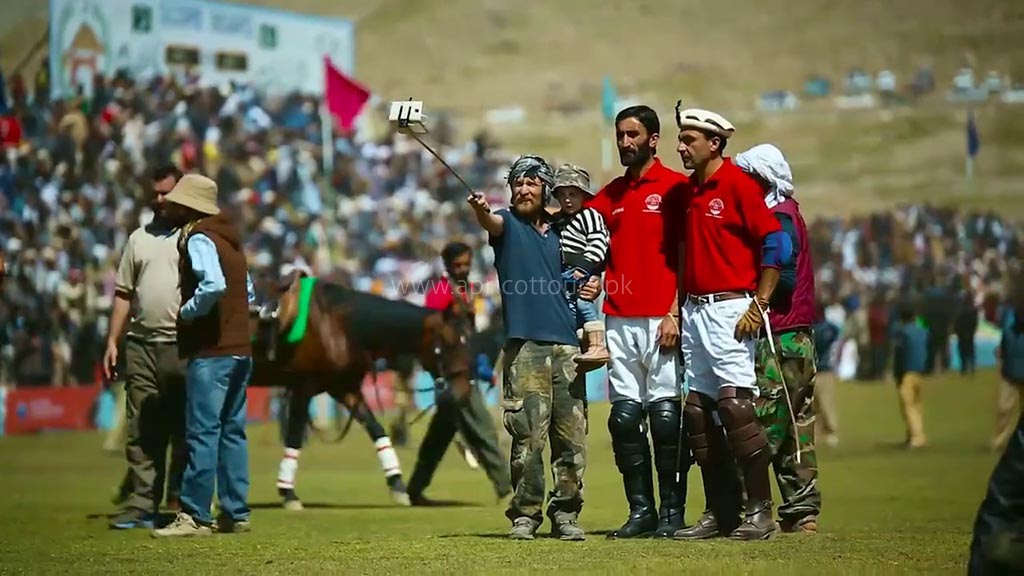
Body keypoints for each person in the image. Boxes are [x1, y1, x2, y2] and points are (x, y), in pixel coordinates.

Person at [672, 106, 786, 541]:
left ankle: (761, 511)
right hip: (695, 309)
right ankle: (720, 511)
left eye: (690, 140)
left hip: (731, 309)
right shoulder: (687, 192)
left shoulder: (737, 184)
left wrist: (760, 302)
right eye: (681, 139)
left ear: (715, 143)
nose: (681, 147)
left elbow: (774, 240)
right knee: (698, 412)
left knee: (736, 408)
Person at [580, 105, 687, 539]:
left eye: (632, 135)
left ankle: (672, 513)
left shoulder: (677, 188)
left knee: (665, 418)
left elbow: (687, 254)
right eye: (620, 135)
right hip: (619, 318)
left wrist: (675, 311)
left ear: (653, 139)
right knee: (624, 418)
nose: (625, 142)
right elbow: (579, 227)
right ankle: (640, 512)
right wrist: (589, 274)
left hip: (663, 317)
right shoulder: (612, 194)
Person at [467, 155, 587, 541]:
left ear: (545, 188)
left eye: (532, 183)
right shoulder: (506, 224)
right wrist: (481, 211)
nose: (523, 189)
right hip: (525, 349)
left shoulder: (563, 230)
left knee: (571, 439)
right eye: (518, 183)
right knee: (528, 438)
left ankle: (566, 513)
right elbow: (490, 222)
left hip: (568, 347)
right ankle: (526, 515)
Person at [152, 174, 256, 537]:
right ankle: (235, 512)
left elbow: (213, 285)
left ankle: (195, 515)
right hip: (241, 349)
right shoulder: (232, 239)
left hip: (212, 350)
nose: (170, 206)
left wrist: (187, 312)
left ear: (189, 206)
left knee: (203, 431)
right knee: (233, 432)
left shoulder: (199, 237)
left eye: (176, 202)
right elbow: (249, 292)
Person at [735, 143, 821, 534]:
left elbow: (782, 277)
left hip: (779, 334)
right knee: (795, 424)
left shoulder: (778, 219)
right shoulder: (791, 212)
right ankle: (802, 510)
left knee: (767, 422)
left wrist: (750, 292)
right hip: (797, 336)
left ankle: (754, 507)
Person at [104, 164, 188, 530]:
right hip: (141, 344)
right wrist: (113, 340)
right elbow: (124, 294)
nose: (160, 199)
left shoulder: (192, 237)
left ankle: (182, 500)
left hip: (182, 345)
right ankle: (141, 504)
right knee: (142, 429)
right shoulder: (137, 239)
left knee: (184, 428)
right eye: (155, 193)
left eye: (167, 192)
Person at [407, 241, 513, 505]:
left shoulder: (466, 291)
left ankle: (414, 489)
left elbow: (468, 336)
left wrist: (480, 365)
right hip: (454, 377)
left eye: (466, 264)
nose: (463, 269)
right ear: (447, 266)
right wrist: (439, 373)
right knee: (484, 430)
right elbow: (430, 335)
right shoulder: (440, 292)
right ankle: (507, 490)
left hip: (466, 370)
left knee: (438, 437)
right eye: (457, 265)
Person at [550, 164, 610, 367]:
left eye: (573, 194)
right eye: (563, 194)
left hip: (583, 269)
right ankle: (581, 342)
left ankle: (598, 343)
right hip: (565, 272)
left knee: (584, 302)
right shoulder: (559, 221)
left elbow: (599, 240)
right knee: (570, 309)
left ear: (584, 195)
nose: (568, 199)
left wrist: (585, 267)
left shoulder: (589, 215)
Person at [891, 302, 928, 449]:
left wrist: (896, 373)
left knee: (908, 406)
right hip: (920, 370)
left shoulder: (903, 332)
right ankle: (914, 434)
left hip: (907, 372)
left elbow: (900, 354)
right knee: (917, 404)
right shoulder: (922, 330)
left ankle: (917, 438)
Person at [993, 298, 1024, 452]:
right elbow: (1002, 351)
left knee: (1005, 409)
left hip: (1010, 374)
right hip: (1009, 375)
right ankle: (999, 440)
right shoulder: (1008, 332)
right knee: (1004, 408)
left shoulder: (1008, 331)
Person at [813, 303, 842, 448]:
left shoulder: (819, 328)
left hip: (822, 370)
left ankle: (830, 432)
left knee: (824, 403)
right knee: (815, 404)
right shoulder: (827, 327)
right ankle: (818, 432)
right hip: (818, 369)